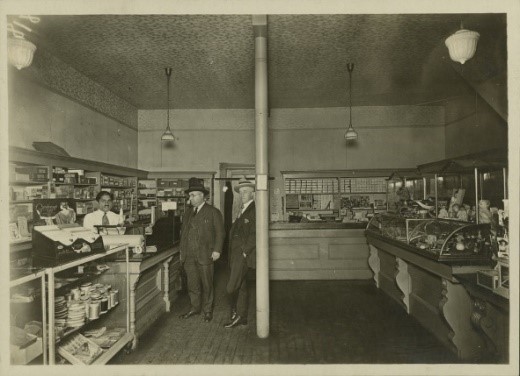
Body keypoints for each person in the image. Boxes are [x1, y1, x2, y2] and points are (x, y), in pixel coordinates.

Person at [179, 178, 224, 322]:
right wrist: (182, 253)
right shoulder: (187, 213)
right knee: (192, 284)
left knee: (207, 284)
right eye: (190, 195)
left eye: (194, 195)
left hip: (205, 254)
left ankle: (208, 310)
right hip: (189, 256)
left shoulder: (213, 212)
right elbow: (184, 234)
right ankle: (194, 308)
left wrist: (217, 250)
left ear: (203, 196)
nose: (190, 198)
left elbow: (220, 233)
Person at [224, 177, 256, 328]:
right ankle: (241, 317)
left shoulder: (254, 210)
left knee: (231, 287)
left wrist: (245, 251)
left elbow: (254, 234)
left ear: (253, 194)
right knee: (242, 286)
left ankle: (235, 312)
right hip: (234, 254)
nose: (242, 194)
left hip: (242, 255)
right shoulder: (242, 210)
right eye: (241, 192)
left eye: (246, 192)